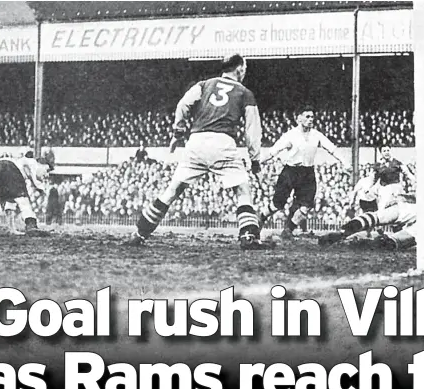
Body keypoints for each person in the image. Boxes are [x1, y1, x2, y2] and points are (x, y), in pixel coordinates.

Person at [125, 54, 269, 249]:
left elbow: (183, 105)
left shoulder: (203, 84)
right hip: (223, 142)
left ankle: (140, 234)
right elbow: (252, 130)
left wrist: (178, 132)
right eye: (244, 69)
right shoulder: (245, 92)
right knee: (242, 190)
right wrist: (255, 161)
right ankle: (249, 237)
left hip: (197, 141)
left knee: (173, 190)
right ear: (240, 69)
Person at [258, 105, 348, 239]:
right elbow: (273, 151)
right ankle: (261, 217)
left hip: (308, 173)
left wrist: (344, 162)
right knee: (277, 204)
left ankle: (288, 230)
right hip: (290, 172)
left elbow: (332, 149)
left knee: (306, 206)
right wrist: (257, 162)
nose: (311, 119)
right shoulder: (290, 135)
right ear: (299, 118)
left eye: (312, 117)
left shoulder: (316, 135)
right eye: (307, 116)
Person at [319, 176, 424, 252]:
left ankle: (343, 231)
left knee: (377, 217)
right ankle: (380, 242)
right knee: (403, 237)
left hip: (420, 205)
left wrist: (399, 198)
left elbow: (416, 194)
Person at [0, 155, 51, 236]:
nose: (47, 175)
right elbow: (37, 181)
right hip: (8, 168)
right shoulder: (33, 163)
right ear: (40, 163)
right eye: (47, 170)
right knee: (23, 199)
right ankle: (31, 224)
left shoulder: (24, 166)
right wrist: (42, 189)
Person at [373, 145, 415, 210]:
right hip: (384, 190)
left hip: (396, 189)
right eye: (384, 151)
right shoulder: (377, 165)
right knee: (382, 208)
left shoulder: (397, 163)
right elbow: (373, 179)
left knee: (399, 208)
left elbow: (408, 174)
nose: (386, 152)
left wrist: (415, 181)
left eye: (388, 150)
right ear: (381, 153)